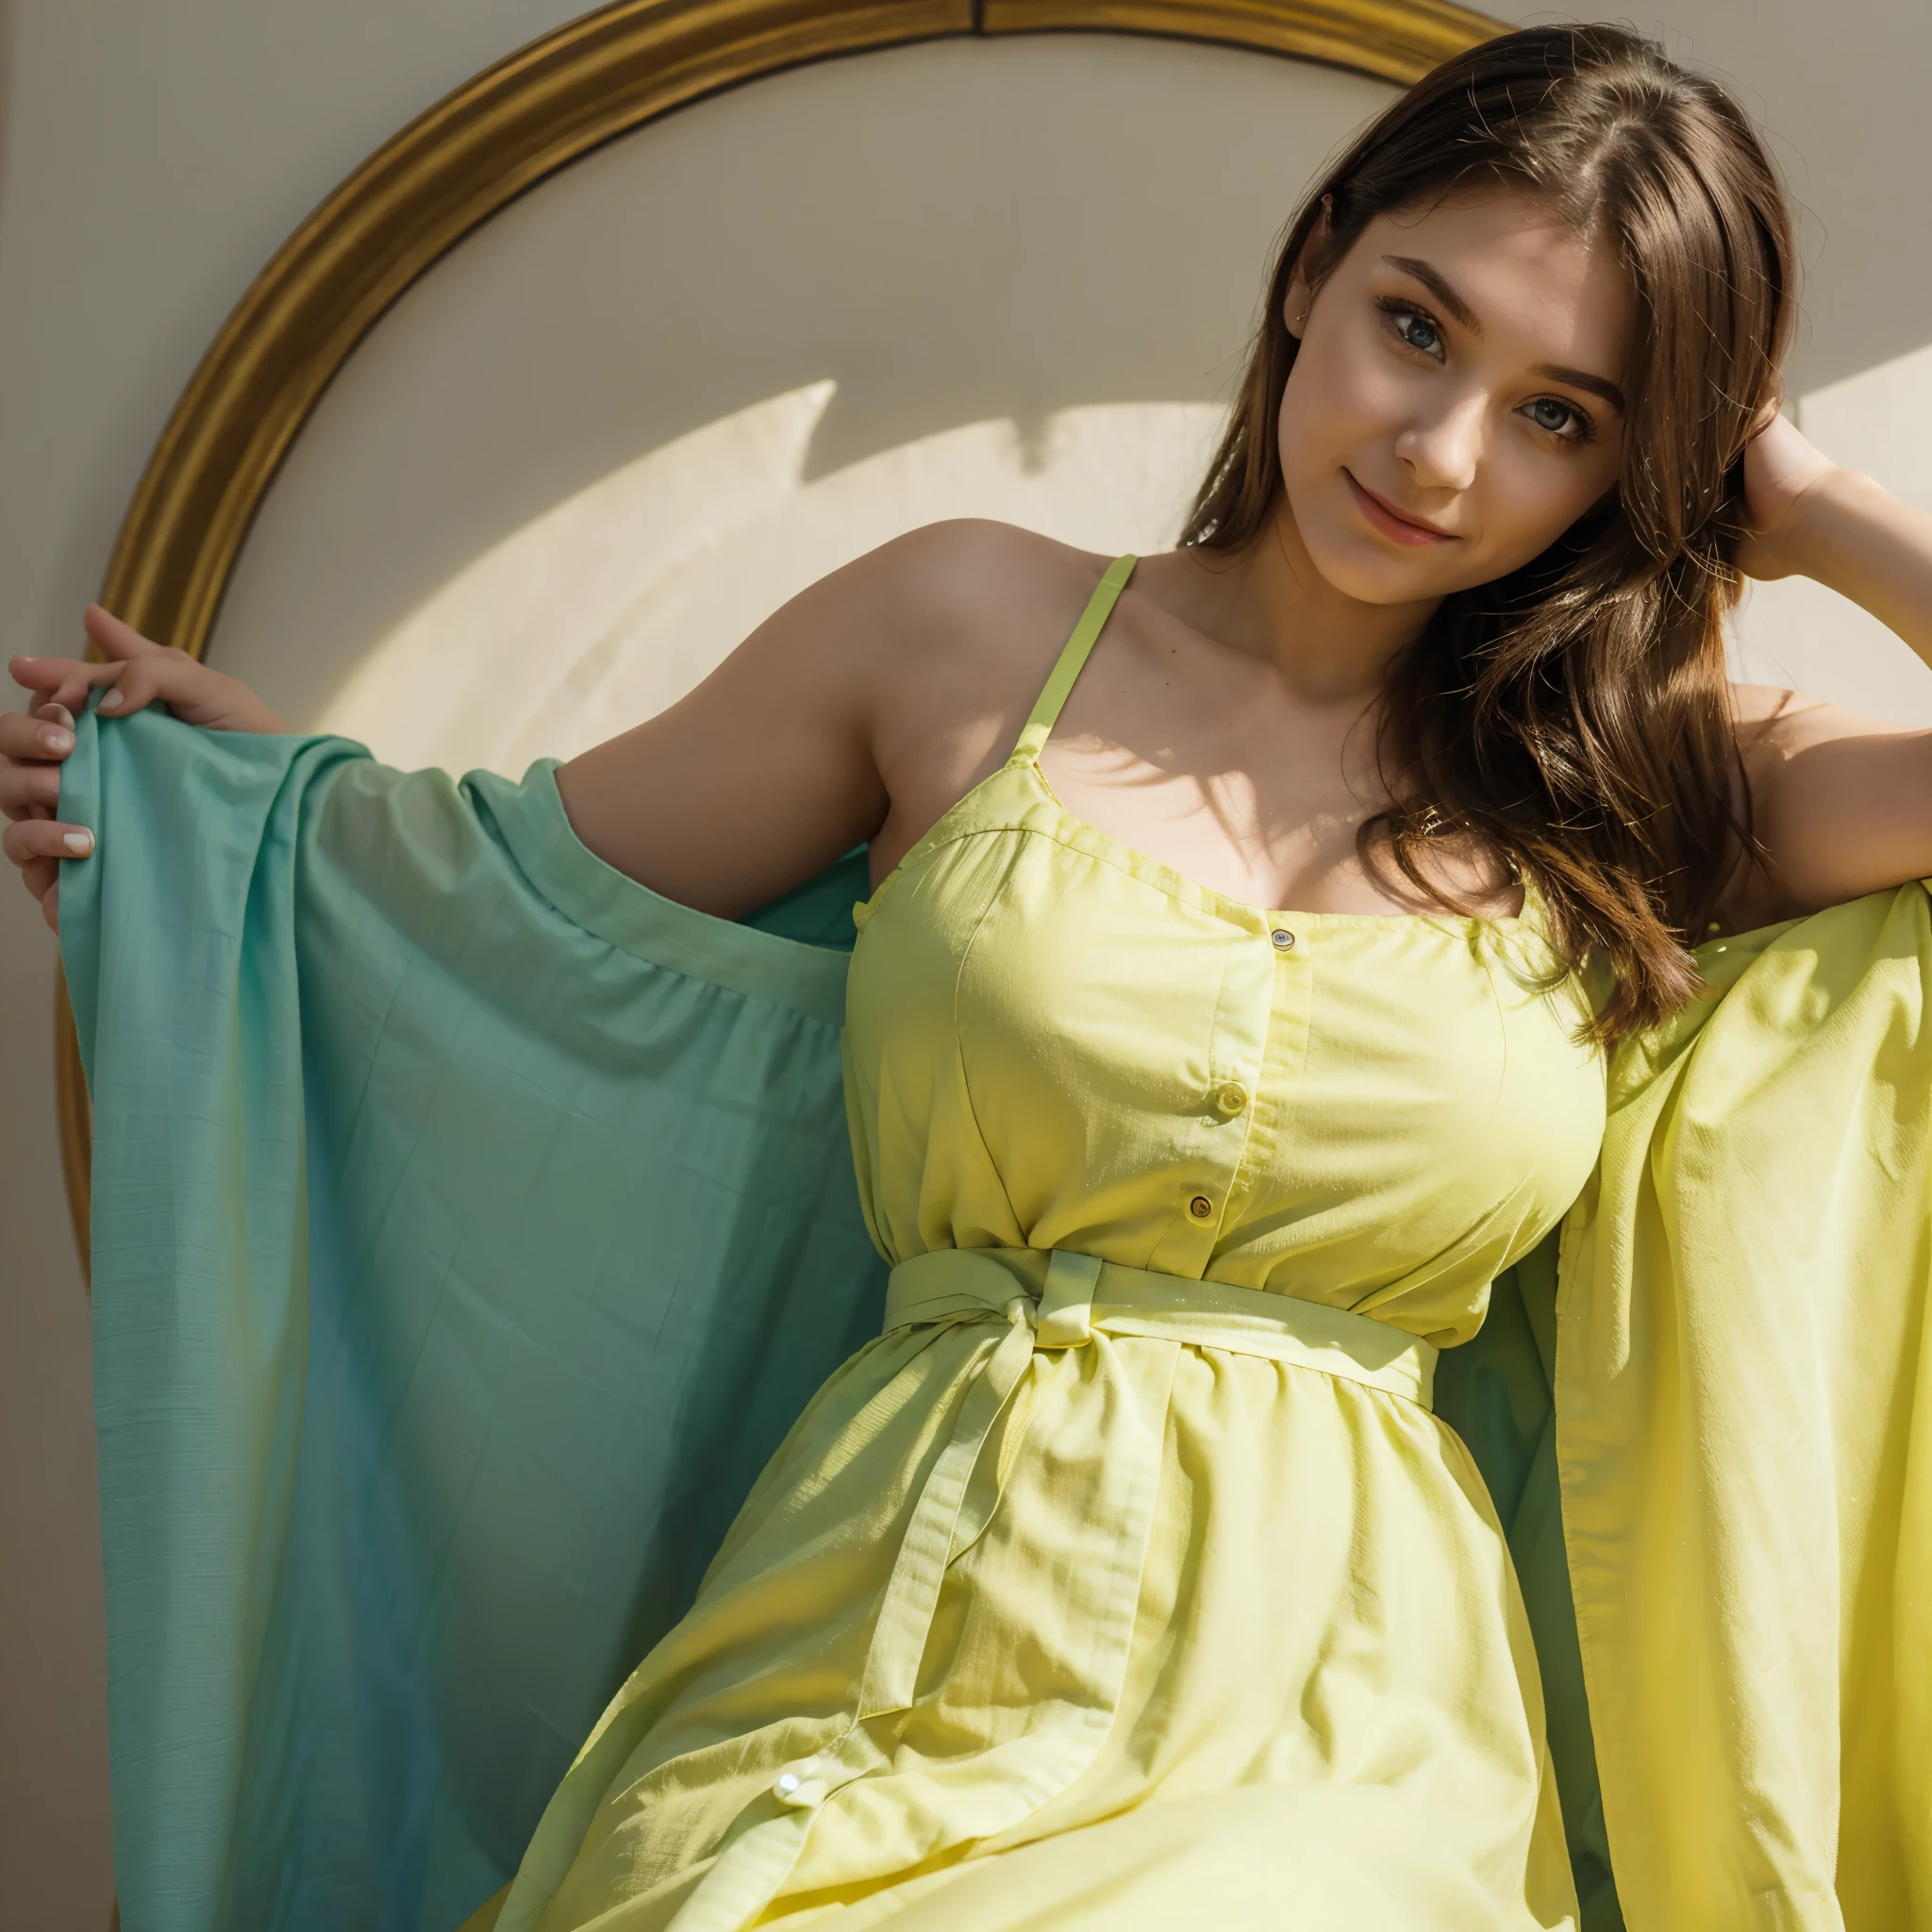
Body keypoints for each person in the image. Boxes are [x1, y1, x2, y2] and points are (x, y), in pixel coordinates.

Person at [8, 23, 1932, 1932]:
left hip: (1341, 1734)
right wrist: (224, 818)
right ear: (1309, 264)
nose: (1436, 452)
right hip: (867, 1632)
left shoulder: (1640, 782)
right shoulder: (961, 628)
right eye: (1415, 327)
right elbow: (509, 919)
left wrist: (1815, 505)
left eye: (1560, 415)